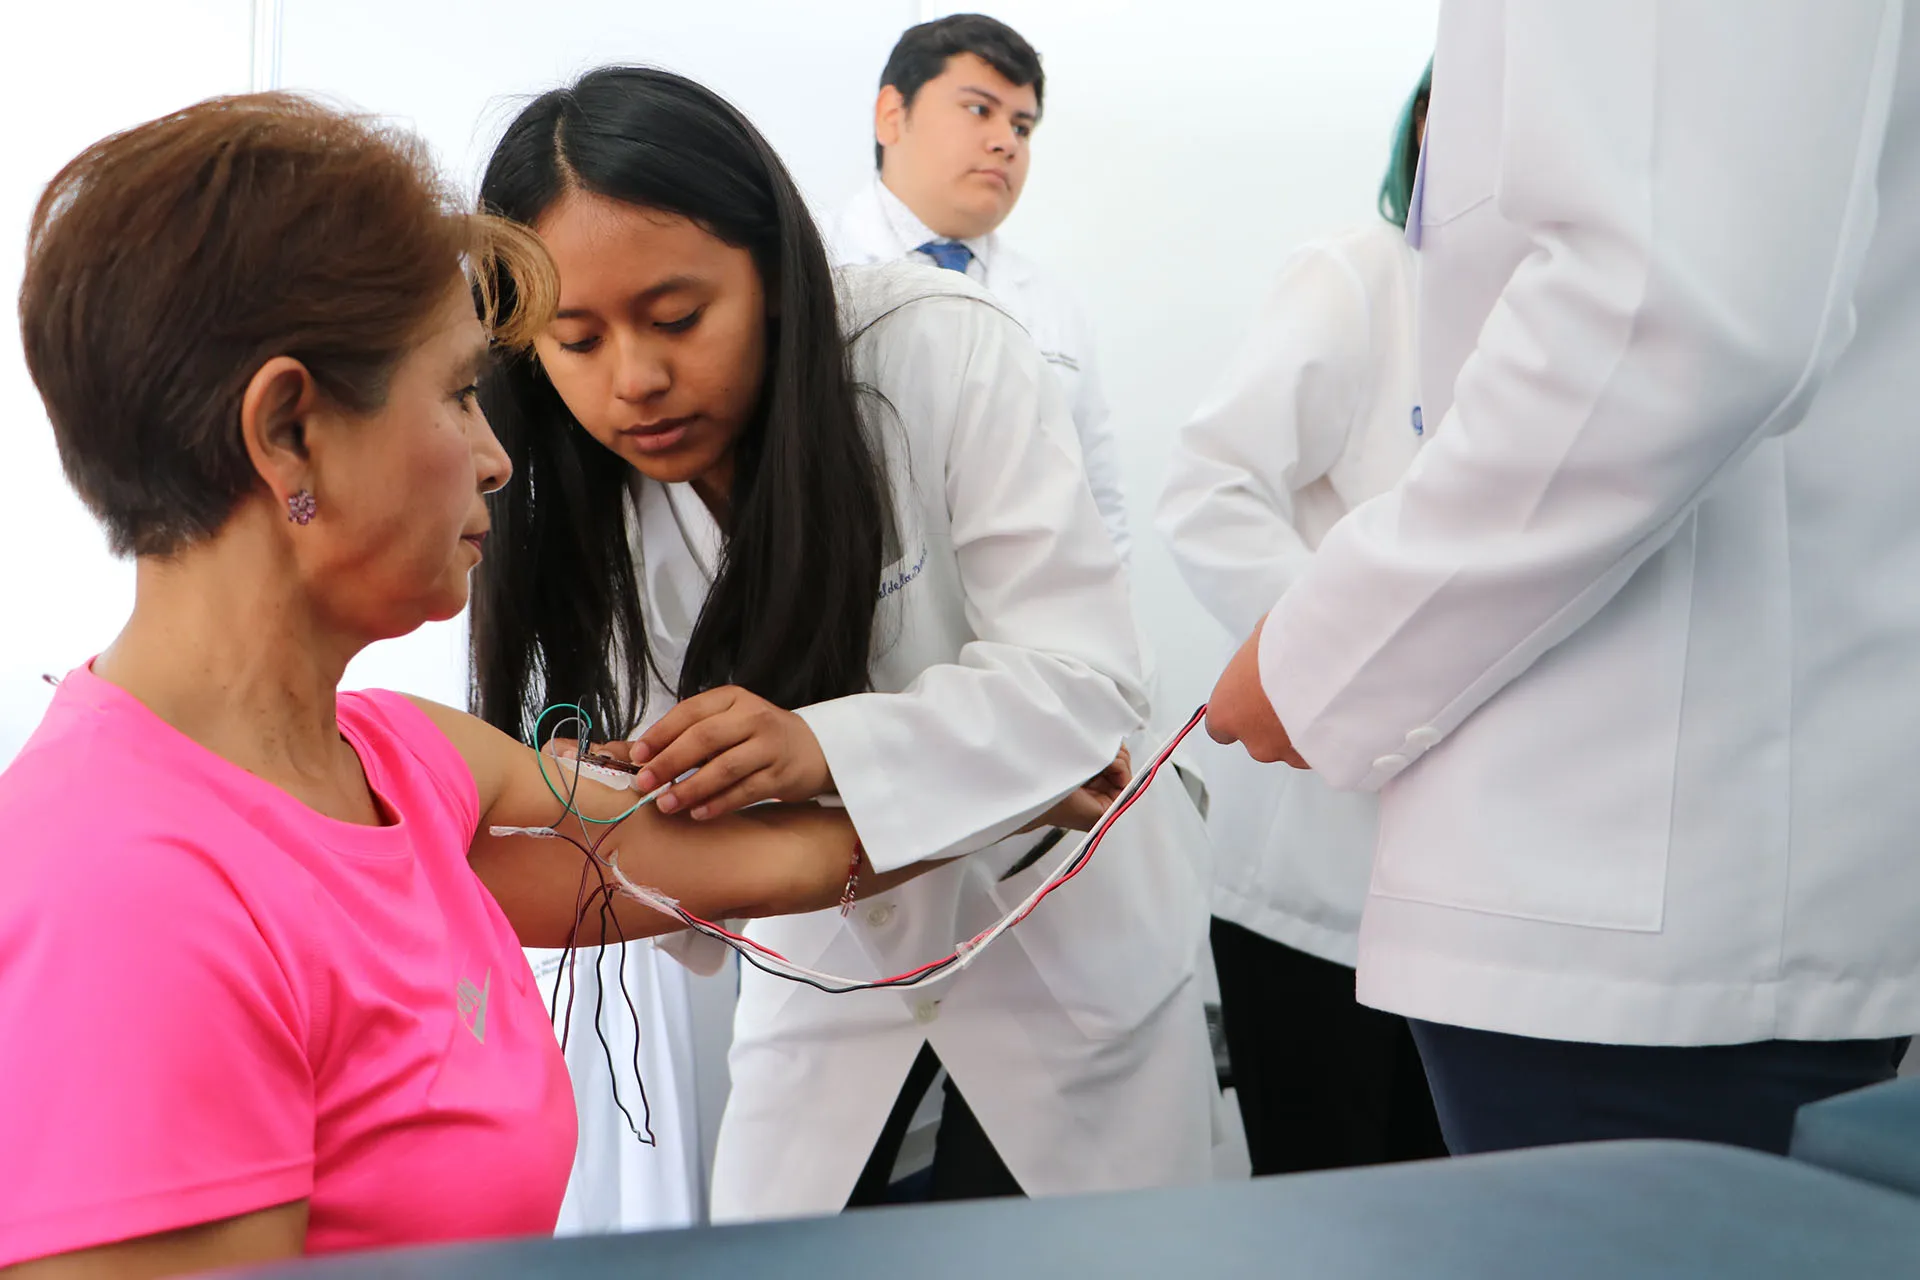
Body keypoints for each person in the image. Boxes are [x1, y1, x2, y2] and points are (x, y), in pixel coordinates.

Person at [0, 94, 889, 1278]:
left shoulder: (404, 761)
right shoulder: (129, 893)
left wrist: (1015, 781)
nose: (499, 457)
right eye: (461, 393)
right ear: (289, 434)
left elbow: (763, 859)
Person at [468, 66, 1215, 1222]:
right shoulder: (573, 490)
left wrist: (819, 749)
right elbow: (651, 835)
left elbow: (1086, 681)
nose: (637, 379)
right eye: (576, 340)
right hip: (827, 974)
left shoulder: (941, 352)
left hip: (1056, 952)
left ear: (773, 270)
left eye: (676, 318)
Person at [1207, 3, 1920, 1157]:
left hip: (1627, 869)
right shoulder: (1345, 273)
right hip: (1599, 844)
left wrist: (1318, 658)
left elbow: (1668, 313)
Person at [1157, 64, 1445, 1175]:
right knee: (1327, 1195)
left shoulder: (1552, 320)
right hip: (1313, 877)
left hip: (1476, 885)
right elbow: (1210, 487)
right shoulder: (1363, 275)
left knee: (1458, 1208)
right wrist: (1344, 662)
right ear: (1428, 125)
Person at [828, 13, 1130, 560]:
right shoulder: (808, 271)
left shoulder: (1052, 305)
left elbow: (1099, 508)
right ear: (892, 116)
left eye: (1021, 126)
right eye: (978, 110)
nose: (1006, 143)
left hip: (1028, 631)